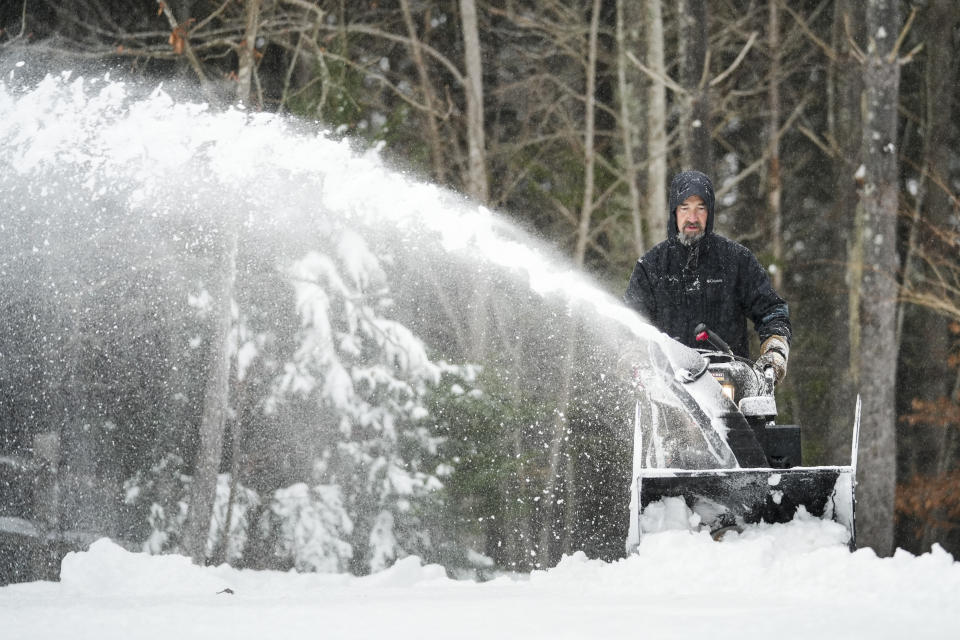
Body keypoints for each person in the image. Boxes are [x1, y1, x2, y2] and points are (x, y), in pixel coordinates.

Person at [624, 170, 791, 384]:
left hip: (730, 384)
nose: (692, 218)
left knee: (760, 409)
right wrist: (634, 357)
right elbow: (632, 322)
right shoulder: (651, 266)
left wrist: (774, 351)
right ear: (674, 211)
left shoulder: (736, 261)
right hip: (669, 385)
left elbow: (772, 311)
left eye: (700, 208)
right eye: (685, 208)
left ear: (709, 212)